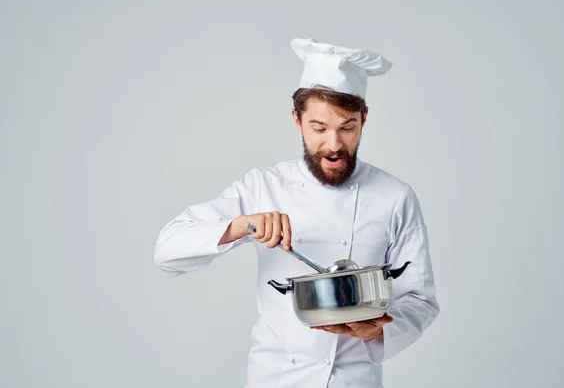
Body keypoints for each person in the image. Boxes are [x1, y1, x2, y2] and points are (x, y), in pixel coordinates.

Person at [154, 37, 440, 388]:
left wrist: (380, 327)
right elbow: (167, 250)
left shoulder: (395, 197)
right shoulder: (264, 186)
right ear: (296, 119)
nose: (334, 145)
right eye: (319, 128)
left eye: (347, 127)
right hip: (276, 379)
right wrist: (242, 225)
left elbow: (421, 299)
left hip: (355, 380)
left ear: (364, 119)